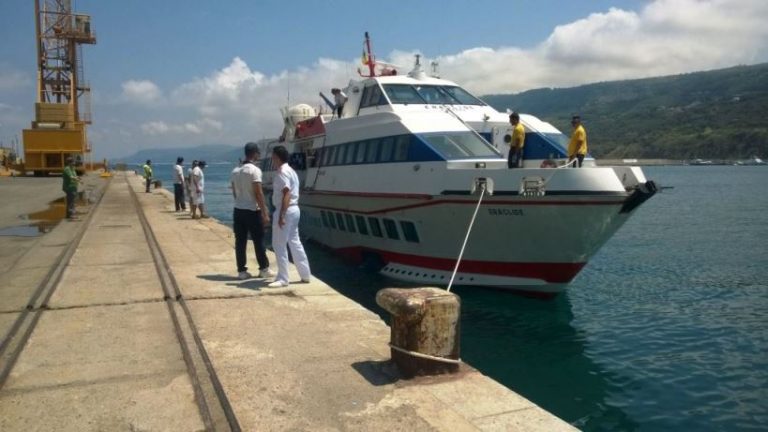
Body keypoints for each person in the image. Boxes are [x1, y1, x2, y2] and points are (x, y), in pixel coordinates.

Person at [268, 146, 311, 287]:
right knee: (294, 241)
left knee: (279, 244)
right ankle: (305, 274)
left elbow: (286, 193)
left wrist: (282, 215)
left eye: (273, 157)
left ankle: (283, 278)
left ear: (277, 157)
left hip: (285, 209)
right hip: (295, 209)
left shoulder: (282, 172)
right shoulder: (292, 171)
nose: (272, 160)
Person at [231, 143, 273, 280]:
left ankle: (241, 271)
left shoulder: (235, 171)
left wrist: (240, 201)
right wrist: (265, 211)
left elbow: (234, 191)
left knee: (240, 241)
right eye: (258, 153)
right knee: (258, 240)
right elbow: (258, 193)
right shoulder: (254, 170)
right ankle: (263, 268)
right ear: (254, 153)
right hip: (252, 210)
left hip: (238, 209)